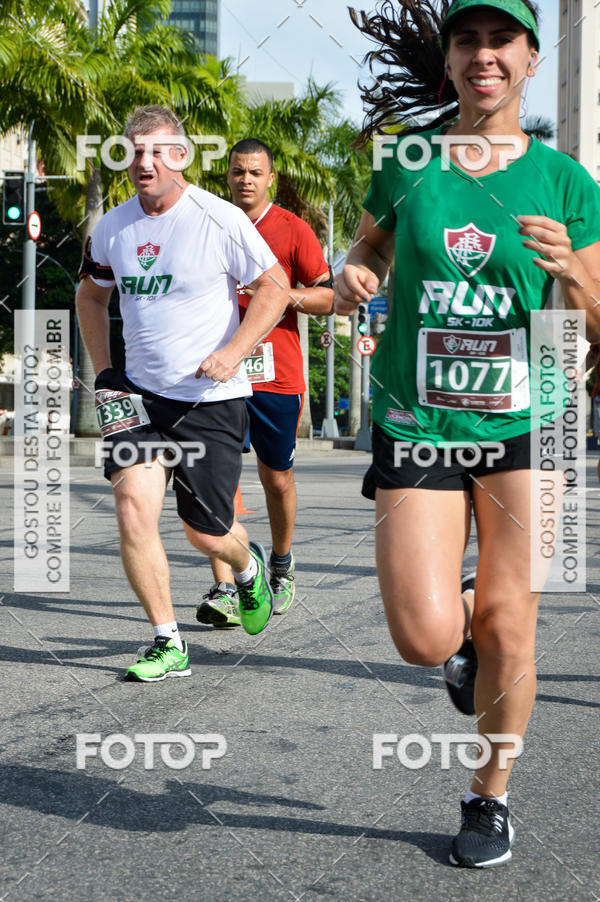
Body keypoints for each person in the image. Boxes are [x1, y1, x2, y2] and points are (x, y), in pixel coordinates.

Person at [337, 0, 600, 868]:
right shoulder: (408, 162)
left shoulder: (567, 183)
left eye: (501, 42)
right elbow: (373, 252)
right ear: (448, 60)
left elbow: (597, 324)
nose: (483, 56)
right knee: (422, 635)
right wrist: (356, 271)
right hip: (418, 418)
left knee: (511, 625)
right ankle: (464, 645)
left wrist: (573, 275)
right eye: (467, 41)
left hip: (535, 420)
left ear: (530, 59)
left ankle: (491, 796)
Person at [76, 106, 290, 682]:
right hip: (138, 399)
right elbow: (91, 297)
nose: (144, 163)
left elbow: (276, 289)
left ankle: (247, 570)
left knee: (206, 533)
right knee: (132, 510)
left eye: (157, 151)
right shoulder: (112, 228)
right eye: (134, 151)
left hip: (210, 400)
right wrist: (105, 372)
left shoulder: (218, 219)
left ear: (181, 156)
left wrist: (235, 352)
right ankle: (166, 641)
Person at [196, 138, 334, 629]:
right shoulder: (207, 221)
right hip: (216, 373)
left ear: (270, 177)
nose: (246, 179)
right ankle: (226, 586)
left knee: (275, 479)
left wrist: (280, 294)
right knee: (218, 482)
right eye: (238, 171)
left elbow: (328, 298)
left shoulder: (293, 230)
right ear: (227, 176)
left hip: (277, 375)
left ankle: (280, 562)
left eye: (255, 172)